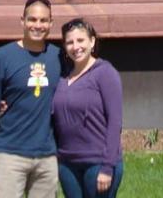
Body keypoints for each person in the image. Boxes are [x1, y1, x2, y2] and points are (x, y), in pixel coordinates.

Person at [0, 0, 62, 198]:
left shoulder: (59, 57)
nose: (37, 25)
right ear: (22, 21)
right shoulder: (2, 57)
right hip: (10, 153)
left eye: (43, 20)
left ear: (51, 23)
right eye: (32, 19)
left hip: (47, 156)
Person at [52, 18, 124, 198]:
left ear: (92, 41)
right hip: (67, 163)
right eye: (70, 42)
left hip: (97, 162)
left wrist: (107, 166)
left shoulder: (105, 73)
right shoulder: (62, 77)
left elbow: (115, 122)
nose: (76, 46)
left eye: (80, 40)